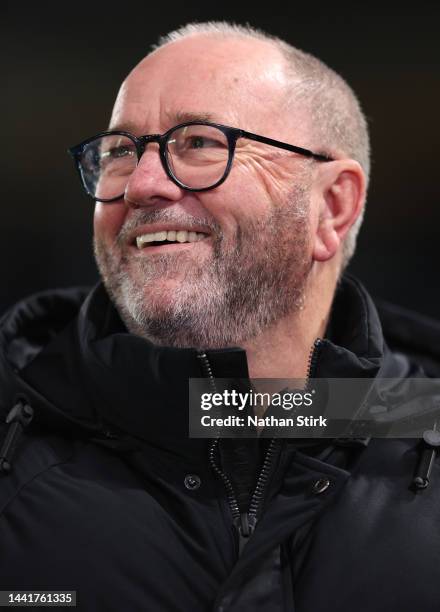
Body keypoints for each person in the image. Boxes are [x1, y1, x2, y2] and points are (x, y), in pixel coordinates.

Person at [1, 21, 440, 612]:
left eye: (201, 143)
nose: (143, 184)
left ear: (331, 207)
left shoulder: (425, 426)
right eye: (120, 152)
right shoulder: (15, 442)